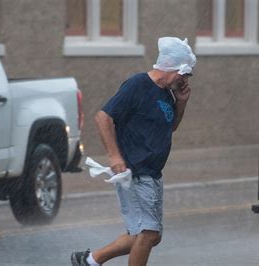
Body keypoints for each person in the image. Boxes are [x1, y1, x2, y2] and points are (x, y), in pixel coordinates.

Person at [71, 37, 197, 266]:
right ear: (172, 67)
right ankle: (91, 260)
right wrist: (115, 156)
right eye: (185, 74)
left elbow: (171, 127)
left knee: (150, 236)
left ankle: (90, 260)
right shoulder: (138, 85)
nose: (185, 79)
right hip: (136, 171)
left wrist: (181, 103)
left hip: (152, 173)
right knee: (147, 233)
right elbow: (103, 117)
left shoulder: (168, 94)